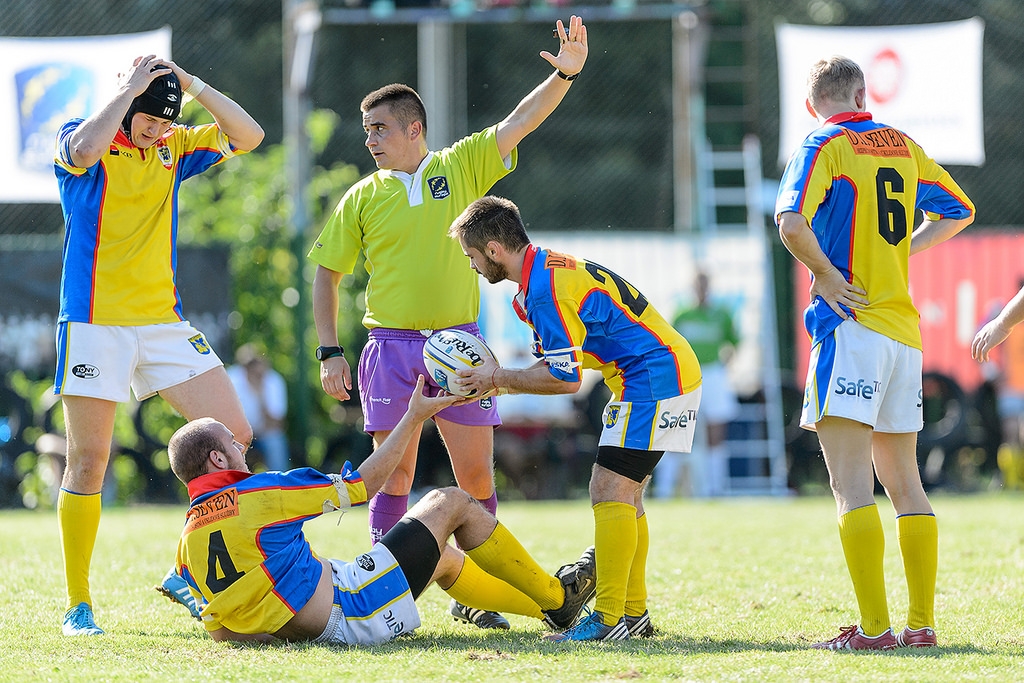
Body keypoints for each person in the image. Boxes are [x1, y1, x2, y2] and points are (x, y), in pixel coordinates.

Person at [308, 16, 588, 629]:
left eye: (380, 128)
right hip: (389, 348)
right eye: (366, 130)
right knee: (393, 477)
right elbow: (326, 276)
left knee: (476, 475)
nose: (370, 140)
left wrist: (564, 74)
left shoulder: (460, 166)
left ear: (415, 129)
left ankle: (482, 595)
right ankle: (385, 593)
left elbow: (520, 121)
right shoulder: (361, 196)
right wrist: (329, 351)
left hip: (459, 347)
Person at [52, 54, 265, 636]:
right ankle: (78, 605)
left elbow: (250, 135)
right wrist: (128, 91)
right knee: (89, 460)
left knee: (234, 437)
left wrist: (192, 86)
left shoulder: (175, 144)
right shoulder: (82, 134)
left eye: (165, 121)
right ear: (126, 105)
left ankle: (183, 572)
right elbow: (84, 151)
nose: (156, 131)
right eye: (148, 119)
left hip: (162, 324)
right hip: (93, 324)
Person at [775, 56, 975, 650]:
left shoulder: (823, 143)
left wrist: (827, 274)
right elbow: (960, 211)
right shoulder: (904, 146)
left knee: (851, 488)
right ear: (863, 95)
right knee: (907, 484)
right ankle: (921, 626)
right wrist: (899, 252)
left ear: (811, 105)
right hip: (903, 336)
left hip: (849, 327)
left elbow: (790, 222)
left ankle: (873, 631)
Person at [169, 376, 596, 644]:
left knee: (444, 560)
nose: (241, 447)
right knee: (450, 502)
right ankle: (558, 599)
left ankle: (552, 614)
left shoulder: (187, 541)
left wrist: (288, 634)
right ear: (218, 459)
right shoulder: (257, 493)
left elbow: (220, 630)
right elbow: (363, 486)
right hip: (353, 608)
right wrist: (413, 417)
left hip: (332, 613)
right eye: (232, 443)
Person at [448, 195, 702, 642]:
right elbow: (564, 360)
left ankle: (608, 620)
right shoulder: (544, 272)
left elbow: (565, 380)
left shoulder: (543, 290)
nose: (472, 265)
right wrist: (500, 382)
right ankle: (633, 615)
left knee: (609, 490)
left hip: (654, 376)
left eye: (472, 255)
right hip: (659, 371)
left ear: (493, 249)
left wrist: (498, 378)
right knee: (626, 496)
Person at [655, 270, 740, 498]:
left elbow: (734, 342)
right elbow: (668, 345)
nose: (702, 290)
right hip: (688, 375)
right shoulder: (682, 315)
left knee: (716, 432)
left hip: (713, 373)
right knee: (675, 429)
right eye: (698, 285)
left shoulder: (721, 315)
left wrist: (724, 365)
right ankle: (664, 490)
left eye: (705, 285)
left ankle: (715, 489)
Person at [226, 344, 289, 471]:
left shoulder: (273, 381)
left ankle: (279, 480)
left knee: (275, 443)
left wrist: (260, 395)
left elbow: (276, 424)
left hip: (264, 433)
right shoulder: (231, 379)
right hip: (235, 434)